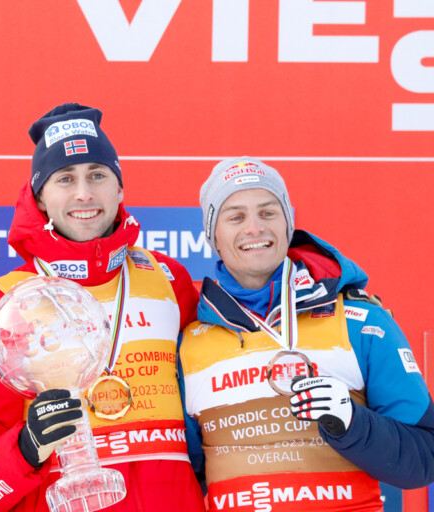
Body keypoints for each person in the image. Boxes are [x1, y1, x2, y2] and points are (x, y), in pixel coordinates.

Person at [0, 103, 205, 512]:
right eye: (65, 179)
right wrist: (27, 447)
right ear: (40, 198)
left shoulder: (168, 278)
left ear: (119, 189)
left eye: (97, 176)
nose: (84, 193)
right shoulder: (1, 304)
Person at [179, 157, 434, 511]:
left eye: (268, 212)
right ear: (213, 237)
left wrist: (350, 422)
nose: (254, 228)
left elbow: (423, 461)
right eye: (235, 216)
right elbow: (181, 476)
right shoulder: (189, 342)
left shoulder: (361, 321)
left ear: (288, 223)